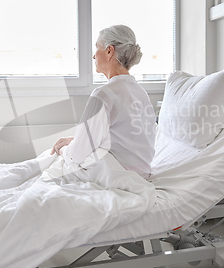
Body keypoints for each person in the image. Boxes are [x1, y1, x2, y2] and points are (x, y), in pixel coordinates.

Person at [50, 25, 156, 179]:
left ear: (109, 51)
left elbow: (77, 155)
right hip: (142, 173)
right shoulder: (140, 92)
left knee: (52, 159)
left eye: (97, 48)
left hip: (116, 175)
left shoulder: (104, 95)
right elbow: (124, 140)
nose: (94, 56)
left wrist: (63, 151)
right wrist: (76, 140)